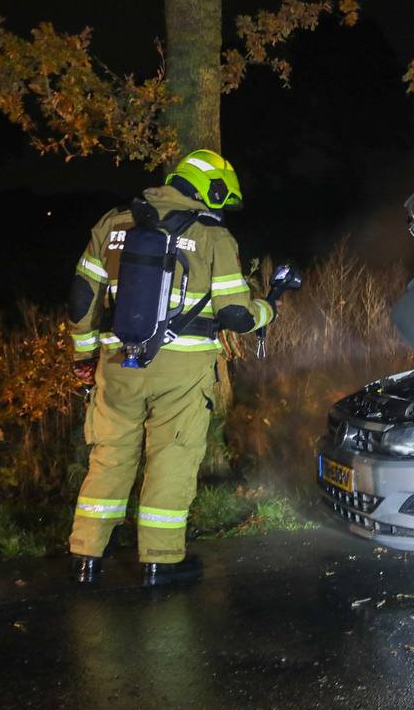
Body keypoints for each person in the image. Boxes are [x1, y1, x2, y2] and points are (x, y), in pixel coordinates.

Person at [67, 149, 276, 586]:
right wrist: (268, 309)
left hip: (117, 362)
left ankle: (86, 556)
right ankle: (160, 561)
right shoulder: (213, 235)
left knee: (108, 457)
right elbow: (236, 314)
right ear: (211, 190)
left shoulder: (113, 223)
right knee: (172, 457)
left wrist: (83, 355)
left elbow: (82, 299)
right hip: (181, 370)